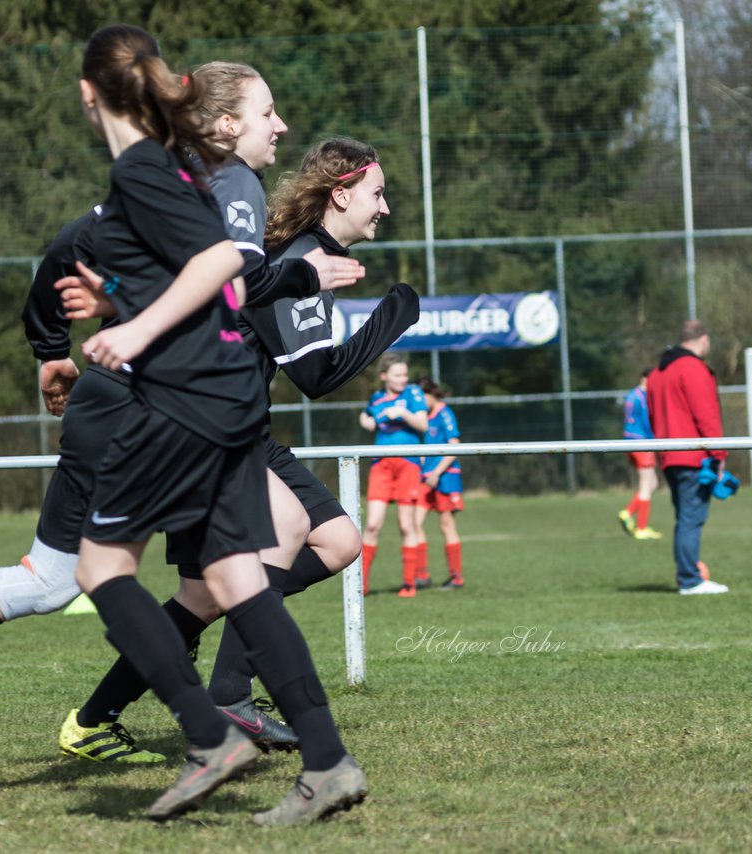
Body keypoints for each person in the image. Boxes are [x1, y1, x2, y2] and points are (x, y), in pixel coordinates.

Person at [0, 26, 367, 826]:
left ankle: (204, 734)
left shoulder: (150, 167)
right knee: (233, 578)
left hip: (175, 401)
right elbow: (170, 267)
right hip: (218, 400)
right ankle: (326, 763)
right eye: (269, 112)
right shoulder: (176, 171)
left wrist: (129, 333)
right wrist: (116, 306)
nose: (279, 128)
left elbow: (220, 266)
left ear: (87, 96)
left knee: (98, 572)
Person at [57, 109, 417, 756]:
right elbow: (318, 373)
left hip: (236, 425)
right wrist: (394, 319)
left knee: (314, 550)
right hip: (216, 428)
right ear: (340, 194)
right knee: (235, 581)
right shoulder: (308, 255)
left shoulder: (306, 255)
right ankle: (211, 698)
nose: (384, 208)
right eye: (377, 193)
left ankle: (155, 704)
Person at [646, 320, 729, 595]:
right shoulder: (692, 368)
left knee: (684, 518)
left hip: (668, 456)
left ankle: (688, 575)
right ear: (703, 340)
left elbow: (653, 414)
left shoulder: (658, 371)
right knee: (691, 520)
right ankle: (690, 580)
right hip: (693, 457)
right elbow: (706, 413)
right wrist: (718, 454)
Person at [359, 354, 428, 597]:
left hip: (407, 463)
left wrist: (401, 413)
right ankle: (362, 584)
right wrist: (366, 421)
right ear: (384, 376)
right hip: (381, 464)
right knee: (372, 523)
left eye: (405, 374)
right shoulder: (377, 398)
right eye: (397, 375)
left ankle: (409, 583)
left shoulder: (413, 395)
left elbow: (423, 425)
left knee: (405, 524)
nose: (403, 379)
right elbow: (366, 415)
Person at [413, 377, 465, 590]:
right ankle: (422, 576)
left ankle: (456, 578)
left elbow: (454, 445)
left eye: (420, 398)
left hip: (445, 476)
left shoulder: (444, 413)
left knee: (446, 525)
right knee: (413, 523)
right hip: (427, 478)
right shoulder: (423, 417)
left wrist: (436, 471)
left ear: (430, 394)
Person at [618, 369, 663, 540]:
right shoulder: (642, 397)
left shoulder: (632, 394)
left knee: (652, 483)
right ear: (645, 378)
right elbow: (646, 421)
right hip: (641, 442)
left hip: (630, 441)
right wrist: (654, 439)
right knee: (647, 484)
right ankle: (641, 527)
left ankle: (628, 512)